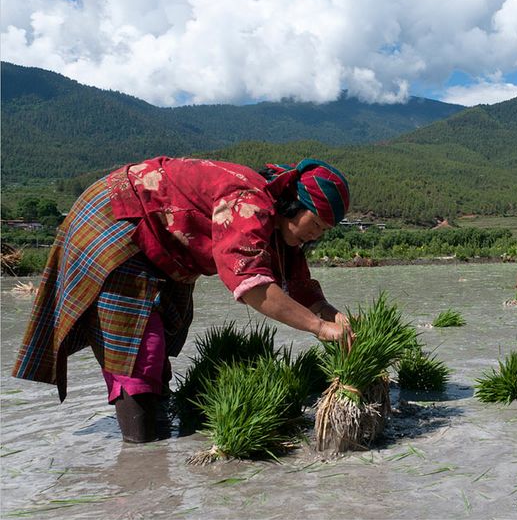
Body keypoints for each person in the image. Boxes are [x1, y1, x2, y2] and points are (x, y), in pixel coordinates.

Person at [12, 156, 355, 443]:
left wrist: (331, 313)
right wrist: (319, 328)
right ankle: (141, 460)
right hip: (119, 220)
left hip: (160, 245)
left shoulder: (282, 229)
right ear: (295, 205)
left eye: (326, 230)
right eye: (317, 223)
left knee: (161, 340)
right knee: (138, 346)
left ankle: (157, 434)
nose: (318, 234)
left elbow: (298, 284)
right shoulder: (249, 201)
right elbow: (252, 285)